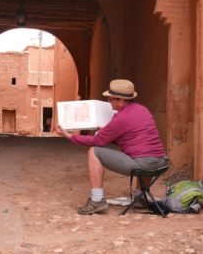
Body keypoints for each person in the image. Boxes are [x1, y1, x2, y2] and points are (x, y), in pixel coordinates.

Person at [57, 79, 169, 215]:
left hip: (142, 164)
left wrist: (68, 136)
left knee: (94, 152)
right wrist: (108, 132)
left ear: (120, 101)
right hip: (160, 162)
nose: (109, 102)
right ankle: (140, 198)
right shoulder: (142, 109)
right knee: (144, 154)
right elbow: (129, 138)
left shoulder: (121, 118)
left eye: (110, 99)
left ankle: (97, 200)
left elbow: (97, 141)